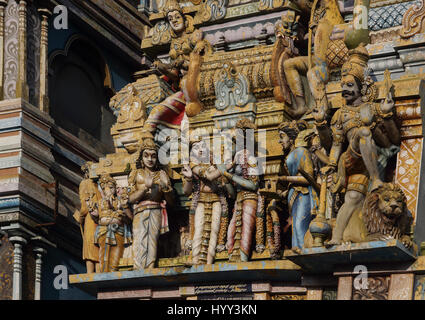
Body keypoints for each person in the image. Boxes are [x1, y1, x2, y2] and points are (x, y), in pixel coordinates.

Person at [181, 137, 233, 264]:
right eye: (195, 148)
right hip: (200, 200)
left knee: (214, 230)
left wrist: (223, 171)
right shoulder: (194, 167)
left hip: (217, 199)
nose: (199, 150)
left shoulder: (215, 165)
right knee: (198, 230)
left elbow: (229, 191)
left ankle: (209, 262)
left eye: (202, 146)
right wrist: (227, 166)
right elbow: (187, 191)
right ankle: (195, 260)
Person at [128, 136, 174, 269]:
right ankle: (138, 268)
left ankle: (149, 267)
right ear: (141, 157)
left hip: (155, 210)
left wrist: (166, 188)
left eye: (153, 156)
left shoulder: (162, 174)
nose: (150, 159)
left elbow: (171, 203)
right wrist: (144, 188)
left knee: (152, 241)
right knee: (138, 239)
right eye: (146, 155)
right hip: (139, 211)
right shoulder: (135, 174)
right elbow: (129, 199)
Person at [92, 174, 132, 272]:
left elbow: (129, 218)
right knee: (103, 256)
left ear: (115, 188)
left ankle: (112, 272)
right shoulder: (99, 202)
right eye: (104, 188)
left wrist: (121, 214)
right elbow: (96, 218)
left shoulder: (120, 201)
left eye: (110, 187)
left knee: (115, 256)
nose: (108, 190)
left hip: (117, 231)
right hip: (103, 231)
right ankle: (103, 274)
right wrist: (92, 213)